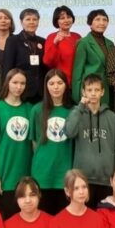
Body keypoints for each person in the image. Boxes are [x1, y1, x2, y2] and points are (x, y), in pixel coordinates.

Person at [66, 74, 115, 207]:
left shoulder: (112, 117)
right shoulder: (77, 113)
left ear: (102, 92)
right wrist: (80, 106)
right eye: (89, 90)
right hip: (82, 180)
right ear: (83, 92)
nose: (93, 93)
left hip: (106, 180)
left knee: (103, 215)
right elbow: (69, 132)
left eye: (97, 90)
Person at [0, 68, 34, 218]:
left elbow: (34, 145)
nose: (19, 87)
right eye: (15, 82)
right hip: (5, 175)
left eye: (22, 83)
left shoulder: (30, 109)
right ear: (7, 83)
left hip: (26, 176)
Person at [30, 69, 74, 214]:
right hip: (42, 174)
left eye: (60, 83)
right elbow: (34, 143)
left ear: (66, 85)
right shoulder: (37, 110)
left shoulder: (73, 111)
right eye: (51, 83)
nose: (56, 87)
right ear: (46, 86)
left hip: (64, 174)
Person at [1, 8, 47, 103]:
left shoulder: (43, 41)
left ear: (38, 22)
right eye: (28, 19)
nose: (32, 22)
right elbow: (7, 67)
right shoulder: (13, 40)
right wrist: (7, 90)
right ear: (21, 22)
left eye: (34, 19)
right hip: (20, 90)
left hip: (40, 91)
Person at [71, 9, 114, 106]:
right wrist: (77, 96)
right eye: (97, 19)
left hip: (106, 88)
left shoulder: (110, 43)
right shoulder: (84, 42)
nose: (101, 23)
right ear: (90, 23)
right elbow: (77, 72)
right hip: (90, 89)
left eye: (104, 20)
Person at [44, 5, 81, 84]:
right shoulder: (52, 37)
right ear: (56, 21)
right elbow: (47, 61)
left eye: (68, 17)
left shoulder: (77, 36)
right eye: (62, 18)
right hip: (61, 81)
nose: (66, 20)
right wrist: (55, 43)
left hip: (78, 80)